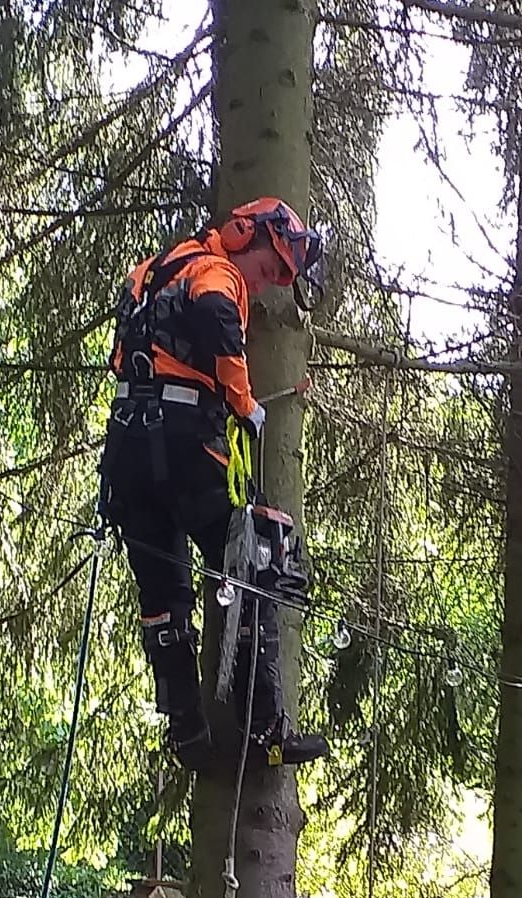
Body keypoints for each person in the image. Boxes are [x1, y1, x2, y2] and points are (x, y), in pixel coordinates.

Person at [99, 197, 329, 772]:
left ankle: (189, 736)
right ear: (244, 236)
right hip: (184, 447)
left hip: (127, 449)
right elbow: (216, 319)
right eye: (270, 269)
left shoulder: (151, 272)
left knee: (164, 598)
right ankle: (266, 729)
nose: (269, 283)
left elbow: (118, 356)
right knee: (259, 554)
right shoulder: (214, 273)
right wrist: (245, 403)